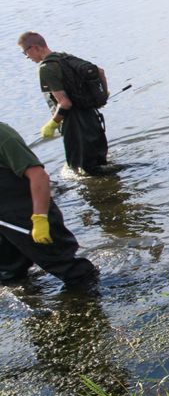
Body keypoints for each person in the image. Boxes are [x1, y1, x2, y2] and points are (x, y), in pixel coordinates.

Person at [0, 120, 99, 287]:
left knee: (70, 269)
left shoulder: (3, 136)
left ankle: (98, 298)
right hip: (4, 223)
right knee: (10, 274)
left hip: (28, 216)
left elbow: (39, 176)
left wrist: (39, 218)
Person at [17, 31, 114, 176]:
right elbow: (100, 72)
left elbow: (65, 103)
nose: (27, 57)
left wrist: (52, 124)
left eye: (25, 52)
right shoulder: (65, 57)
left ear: (34, 48)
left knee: (81, 172)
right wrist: (101, 97)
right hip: (92, 119)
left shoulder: (46, 69)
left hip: (75, 126)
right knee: (100, 166)